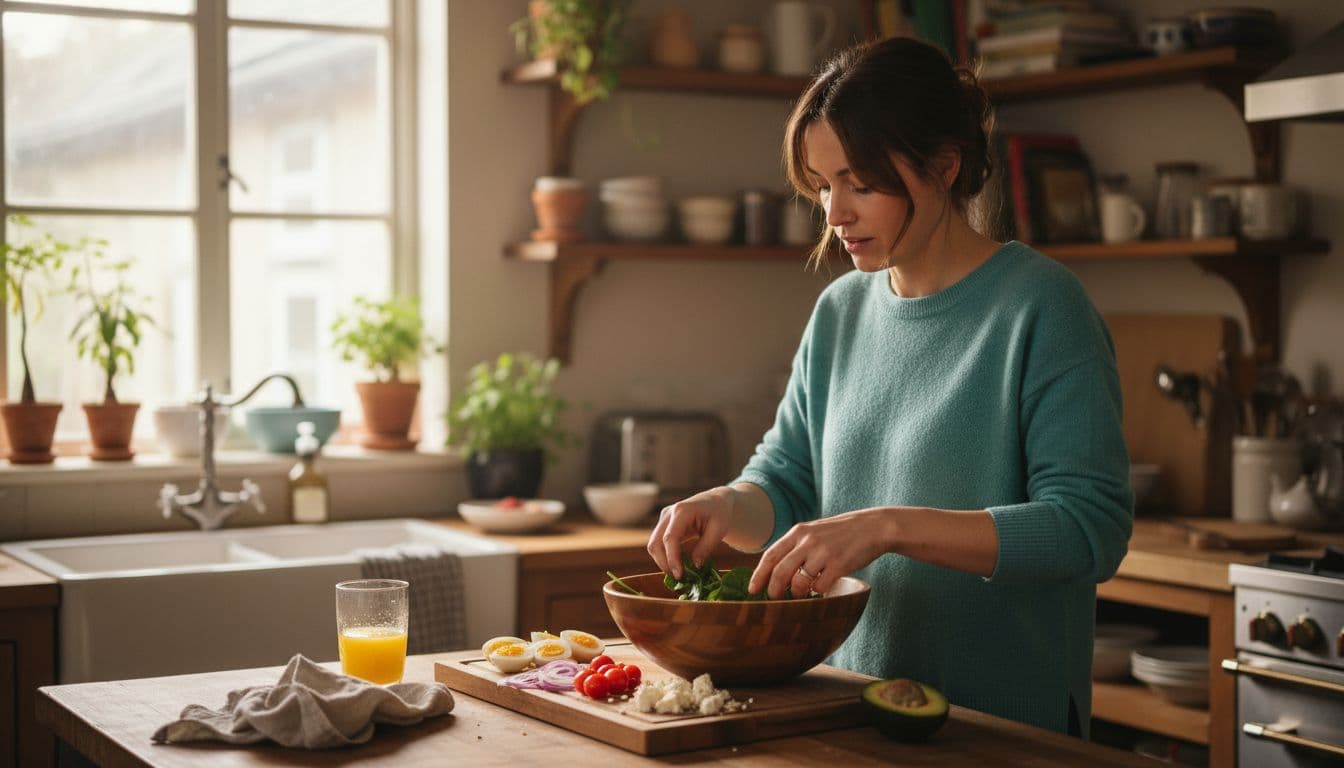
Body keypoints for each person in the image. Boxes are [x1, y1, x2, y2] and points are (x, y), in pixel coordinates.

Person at [647, 36, 1132, 738]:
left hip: (1001, 728)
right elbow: (785, 484)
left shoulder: (1043, 308)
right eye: (821, 184)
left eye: (860, 182)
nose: (834, 212)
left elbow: (1090, 530)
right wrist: (725, 506)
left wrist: (889, 526)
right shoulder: (840, 311)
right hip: (850, 708)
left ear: (944, 167)